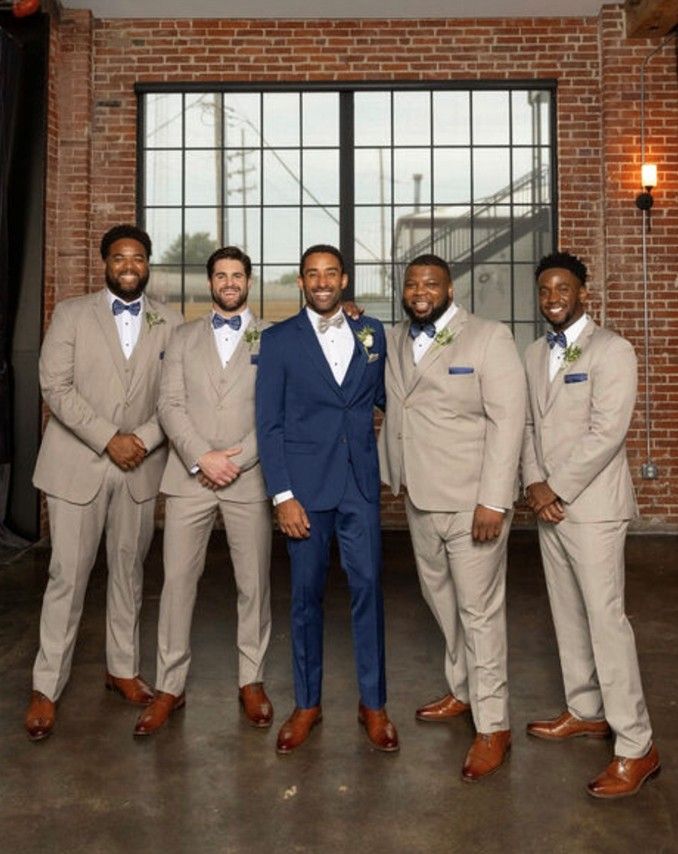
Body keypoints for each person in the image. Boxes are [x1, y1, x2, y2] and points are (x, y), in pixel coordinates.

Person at [25, 224, 181, 741]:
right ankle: (46, 687)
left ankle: (122, 670)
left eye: (138, 257)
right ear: (105, 264)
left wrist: (140, 439)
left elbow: (176, 398)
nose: (129, 265)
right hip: (77, 468)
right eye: (120, 258)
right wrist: (108, 437)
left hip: (139, 467)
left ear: (148, 264)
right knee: (67, 578)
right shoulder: (72, 314)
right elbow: (55, 384)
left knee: (129, 576)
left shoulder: (171, 321)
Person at [378, 253, 526, 781]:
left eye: (431, 283)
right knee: (440, 600)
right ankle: (463, 689)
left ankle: (493, 725)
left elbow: (509, 422)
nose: (420, 290)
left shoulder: (489, 337)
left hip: (472, 503)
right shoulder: (395, 337)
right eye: (412, 283)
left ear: (450, 288)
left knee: (480, 613)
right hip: (418, 496)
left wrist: (494, 498)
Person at [522, 250, 660, 798]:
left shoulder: (613, 349)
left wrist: (556, 487)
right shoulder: (533, 353)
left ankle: (637, 745)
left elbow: (608, 431)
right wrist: (535, 485)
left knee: (606, 621)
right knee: (567, 612)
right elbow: (529, 424)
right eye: (545, 290)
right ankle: (585, 709)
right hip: (548, 506)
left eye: (562, 289)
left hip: (594, 507)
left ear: (584, 293)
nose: (552, 298)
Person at [255, 244, 398, 754]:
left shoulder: (372, 332)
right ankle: (307, 703)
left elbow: (391, 395)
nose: (321, 282)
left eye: (330, 273)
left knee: (369, 594)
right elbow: (267, 425)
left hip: (360, 485)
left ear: (344, 280)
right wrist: (283, 496)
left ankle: (374, 704)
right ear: (300, 281)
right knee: (305, 599)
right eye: (312, 274)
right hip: (305, 492)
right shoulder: (277, 341)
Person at [134, 246, 273, 736]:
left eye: (237, 275)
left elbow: (276, 410)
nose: (229, 282)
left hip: (248, 476)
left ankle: (251, 679)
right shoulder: (182, 335)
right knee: (176, 584)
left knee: (252, 584)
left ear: (249, 282)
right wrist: (202, 458)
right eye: (221, 275)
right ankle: (169, 685)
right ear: (210, 282)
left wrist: (237, 460)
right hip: (189, 477)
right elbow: (169, 405)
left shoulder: (272, 339)